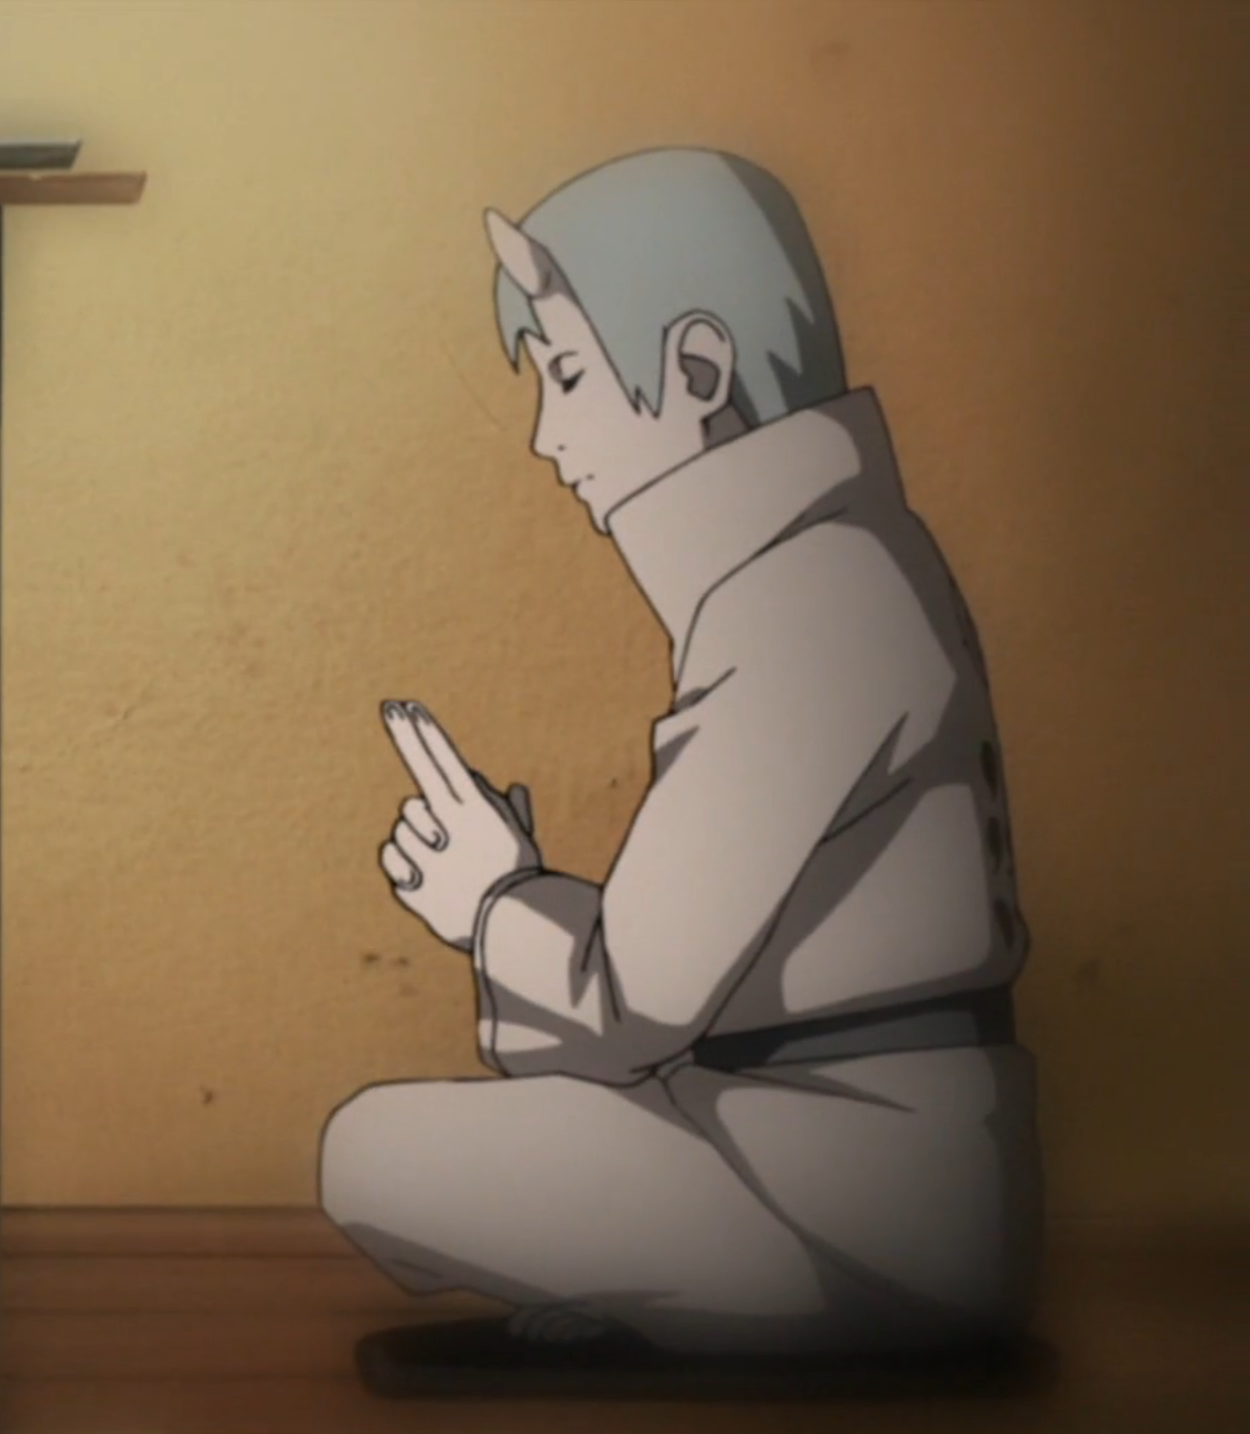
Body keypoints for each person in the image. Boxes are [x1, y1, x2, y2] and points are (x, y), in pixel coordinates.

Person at [318, 149, 1039, 1378]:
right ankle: (670, 1285)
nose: (546, 436)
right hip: (829, 1157)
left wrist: (491, 900)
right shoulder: (837, 564)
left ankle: (726, 1302)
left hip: (861, 1222)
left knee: (366, 1153)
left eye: (567, 376)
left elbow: (635, 1001)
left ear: (696, 371)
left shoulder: (805, 602)